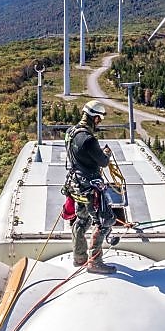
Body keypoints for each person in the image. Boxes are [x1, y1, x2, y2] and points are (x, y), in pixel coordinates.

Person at [64, 100, 117, 274]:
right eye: (99, 120)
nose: (99, 123)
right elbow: (102, 161)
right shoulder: (89, 139)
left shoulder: (70, 133)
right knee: (105, 221)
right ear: (95, 118)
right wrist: (106, 154)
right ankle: (95, 262)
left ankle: (79, 258)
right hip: (90, 185)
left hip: (76, 185)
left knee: (82, 220)